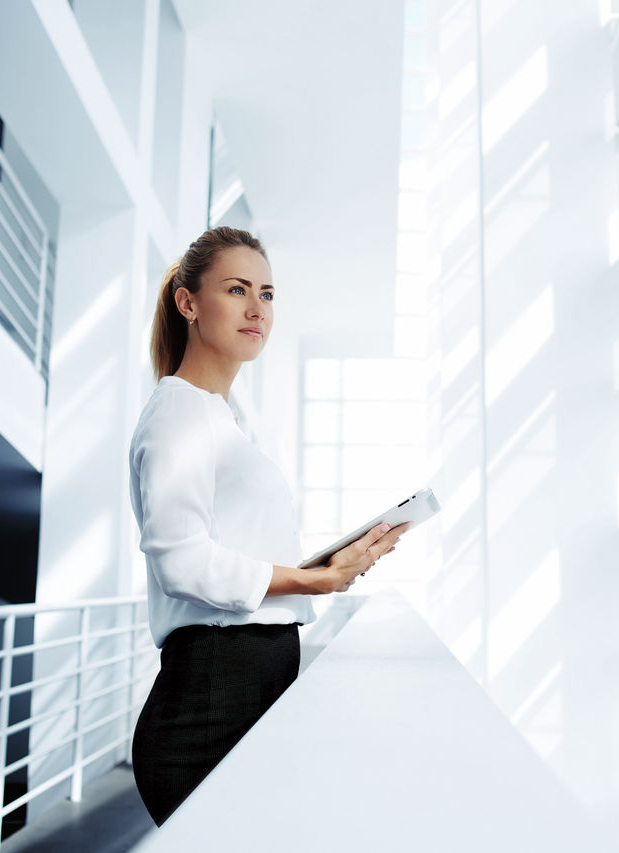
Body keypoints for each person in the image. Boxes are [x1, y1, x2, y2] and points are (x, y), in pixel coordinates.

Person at [128, 226, 408, 825]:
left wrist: (330, 568)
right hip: (210, 699)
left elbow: (234, 553)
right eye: (236, 289)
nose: (258, 309)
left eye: (268, 293)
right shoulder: (178, 411)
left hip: (241, 684)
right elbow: (181, 562)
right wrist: (314, 582)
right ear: (189, 303)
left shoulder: (215, 419)